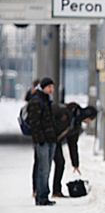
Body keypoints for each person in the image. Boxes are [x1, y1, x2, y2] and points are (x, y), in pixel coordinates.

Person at [51, 103, 98, 197]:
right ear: (87, 116)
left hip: (55, 141)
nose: (89, 122)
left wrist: (75, 163)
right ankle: (40, 191)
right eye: (90, 119)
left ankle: (56, 191)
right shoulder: (70, 114)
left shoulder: (76, 124)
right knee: (45, 165)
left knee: (60, 163)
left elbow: (73, 144)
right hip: (48, 138)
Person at [27, 77, 57, 206]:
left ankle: (44, 194)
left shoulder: (46, 100)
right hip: (43, 141)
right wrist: (40, 139)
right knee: (43, 168)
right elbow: (34, 122)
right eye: (49, 87)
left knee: (47, 167)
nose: (52, 89)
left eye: (52, 87)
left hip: (50, 139)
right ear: (43, 87)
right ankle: (41, 196)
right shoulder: (36, 101)